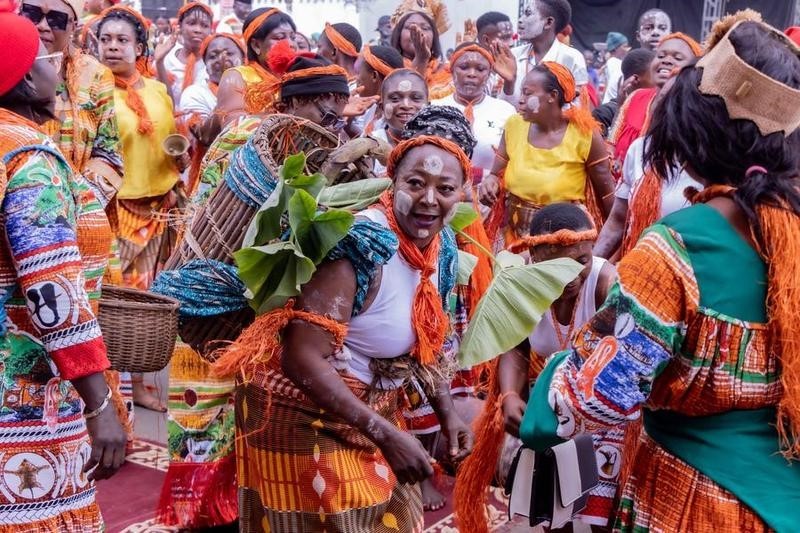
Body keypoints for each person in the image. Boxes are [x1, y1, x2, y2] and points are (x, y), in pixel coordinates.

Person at [521, 16, 800, 531]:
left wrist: (546, 388)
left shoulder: (677, 246)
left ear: (690, 124)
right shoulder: (790, 228)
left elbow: (591, 399)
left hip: (694, 499)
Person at [212, 132, 473, 531]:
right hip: (297, 410)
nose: (430, 200)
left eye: (446, 189)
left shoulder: (444, 247)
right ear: (393, 183)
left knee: (394, 519)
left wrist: (448, 413)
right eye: (416, 183)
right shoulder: (360, 246)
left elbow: (428, 338)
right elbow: (301, 356)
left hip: (370, 408)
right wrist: (385, 434)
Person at [154, 44, 353, 530]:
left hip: (258, 308)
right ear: (287, 105)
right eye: (319, 98)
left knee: (255, 428)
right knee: (206, 422)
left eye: (339, 99)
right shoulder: (252, 134)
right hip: (211, 300)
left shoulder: (317, 145)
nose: (331, 110)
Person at [0, 7, 126, 530]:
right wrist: (99, 403)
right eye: (47, 57)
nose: (60, 66)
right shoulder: (29, 157)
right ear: (27, 80)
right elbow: (50, 287)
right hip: (28, 391)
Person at [455, 203, 618, 532]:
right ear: (534, 258)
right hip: (550, 413)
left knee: (594, 518)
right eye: (555, 265)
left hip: (604, 416)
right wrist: (511, 394)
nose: (570, 276)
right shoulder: (520, 283)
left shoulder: (605, 283)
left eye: (581, 260)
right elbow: (516, 348)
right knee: (556, 514)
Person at [479, 62, 614, 248]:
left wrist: (613, 240)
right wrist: (490, 182)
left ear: (553, 96)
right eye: (522, 92)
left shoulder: (585, 134)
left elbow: (606, 195)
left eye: (528, 93)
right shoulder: (514, 125)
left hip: (563, 242)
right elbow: (495, 173)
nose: (520, 99)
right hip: (514, 239)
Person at [608, 32, 702, 181]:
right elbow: (612, 142)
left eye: (677, 58)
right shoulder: (635, 97)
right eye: (661, 56)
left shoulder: (698, 109)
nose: (667, 61)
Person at [432, 43, 515, 182]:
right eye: (464, 67)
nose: (471, 74)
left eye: (480, 69)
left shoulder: (506, 111)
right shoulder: (433, 109)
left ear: (489, 74)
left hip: (491, 196)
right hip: (444, 194)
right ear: (451, 70)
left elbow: (512, 161)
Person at [493, 0, 588, 105]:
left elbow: (577, 110)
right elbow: (501, 109)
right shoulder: (514, 55)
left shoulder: (572, 58)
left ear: (548, 23)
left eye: (528, 14)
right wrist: (509, 83)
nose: (520, 20)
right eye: (522, 14)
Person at [214, 7, 296, 126]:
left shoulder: (296, 77)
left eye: (293, 38)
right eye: (279, 37)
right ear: (256, 45)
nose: (291, 44)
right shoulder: (237, 76)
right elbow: (232, 130)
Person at [179, 33, 245, 147]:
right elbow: (204, 136)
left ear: (243, 59)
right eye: (213, 56)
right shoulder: (194, 93)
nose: (221, 59)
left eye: (229, 53)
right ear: (205, 65)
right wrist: (228, 85)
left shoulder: (257, 88)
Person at [390, 0, 453, 100]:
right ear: (398, 34)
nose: (419, 32)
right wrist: (420, 60)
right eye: (410, 27)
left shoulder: (449, 73)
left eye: (425, 28)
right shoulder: (385, 68)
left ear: (434, 37)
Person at [370, 68, 429, 175]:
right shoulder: (370, 145)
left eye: (415, 98)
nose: (406, 105)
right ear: (381, 107)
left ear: (429, 106)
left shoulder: (438, 144)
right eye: (395, 98)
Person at [156, 1, 213, 103]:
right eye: (191, 23)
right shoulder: (166, 58)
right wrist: (159, 62)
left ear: (210, 31)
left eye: (204, 25)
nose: (198, 30)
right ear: (180, 26)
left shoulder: (213, 63)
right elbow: (164, 103)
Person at [593, 48, 655, 136]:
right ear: (635, 79)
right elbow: (602, 148)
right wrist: (619, 112)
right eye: (655, 75)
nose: (659, 81)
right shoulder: (604, 114)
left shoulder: (657, 111)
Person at [353, 44, 404, 136]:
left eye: (359, 72)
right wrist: (347, 122)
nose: (356, 79)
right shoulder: (374, 108)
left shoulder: (395, 115)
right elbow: (364, 139)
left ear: (374, 76)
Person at [602, 31, 629, 104]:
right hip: (613, 105)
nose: (627, 50)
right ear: (615, 48)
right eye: (624, 46)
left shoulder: (610, 62)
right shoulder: (615, 63)